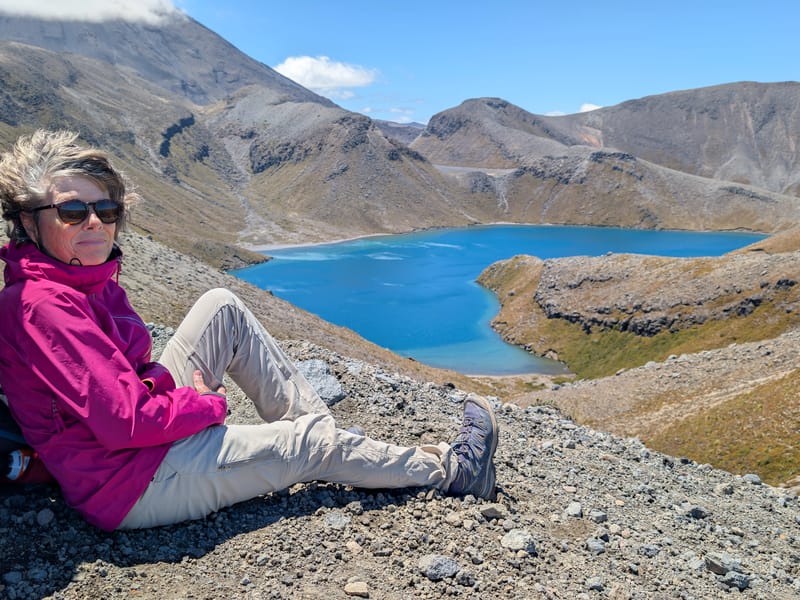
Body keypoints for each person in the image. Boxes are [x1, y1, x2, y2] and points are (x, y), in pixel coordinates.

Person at [0, 129, 498, 531]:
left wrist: (160, 389)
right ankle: (454, 471)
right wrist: (206, 404)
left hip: (138, 447)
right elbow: (126, 422)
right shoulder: (41, 305)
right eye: (71, 211)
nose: (94, 222)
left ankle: (327, 448)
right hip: (130, 482)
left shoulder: (85, 276)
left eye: (106, 210)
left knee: (223, 307)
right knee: (310, 447)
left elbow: (128, 380)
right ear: (29, 220)